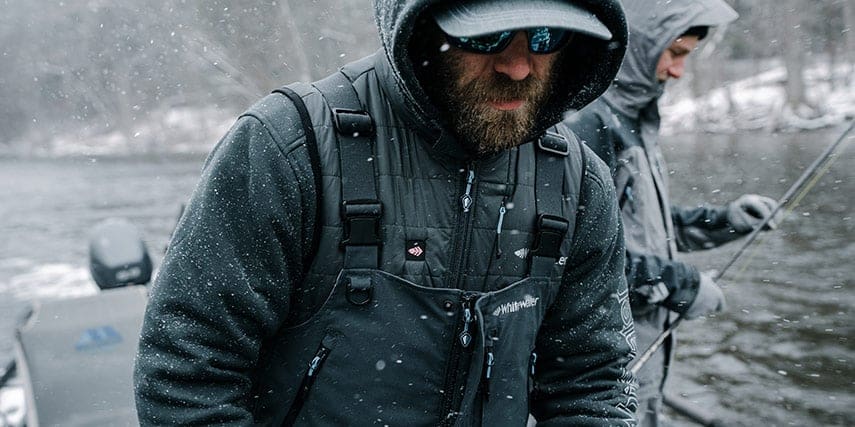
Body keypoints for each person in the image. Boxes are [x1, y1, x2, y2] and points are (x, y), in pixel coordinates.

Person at [134, 0, 638, 425]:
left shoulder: (579, 182)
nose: (518, 65)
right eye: (488, 37)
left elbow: (594, 382)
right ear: (421, 29)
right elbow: (188, 373)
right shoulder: (287, 146)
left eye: (545, 37)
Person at [562, 0, 782, 425]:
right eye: (675, 53)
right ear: (639, 47)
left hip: (638, 364)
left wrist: (727, 221)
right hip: (606, 368)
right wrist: (679, 283)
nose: (679, 71)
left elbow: (644, 227)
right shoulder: (593, 126)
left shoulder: (634, 121)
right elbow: (576, 260)